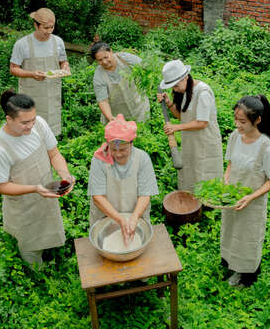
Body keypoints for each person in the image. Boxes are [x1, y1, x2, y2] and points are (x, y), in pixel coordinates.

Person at [0, 89, 75, 267]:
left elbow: (54, 154)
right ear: (9, 119)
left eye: (33, 120)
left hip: (46, 193)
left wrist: (65, 174)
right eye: (25, 122)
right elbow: (1, 186)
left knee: (49, 226)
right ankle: (36, 274)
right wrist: (35, 188)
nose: (31, 126)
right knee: (30, 242)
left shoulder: (39, 124)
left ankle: (52, 256)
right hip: (23, 204)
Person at [221, 95, 270, 288]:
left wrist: (250, 197)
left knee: (247, 237)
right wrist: (226, 179)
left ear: (257, 120)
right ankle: (231, 264)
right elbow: (230, 164)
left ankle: (247, 274)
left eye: (243, 121)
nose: (237, 124)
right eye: (236, 119)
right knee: (231, 231)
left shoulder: (267, 148)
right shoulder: (234, 136)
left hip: (252, 201)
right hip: (232, 197)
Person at [87, 114, 158, 244]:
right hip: (105, 218)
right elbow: (97, 197)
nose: (118, 154)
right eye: (113, 149)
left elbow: (145, 194)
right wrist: (120, 219)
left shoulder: (142, 159)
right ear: (108, 144)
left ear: (132, 143)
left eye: (123, 149)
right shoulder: (99, 160)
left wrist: (134, 217)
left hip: (135, 216)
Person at [157, 59, 223, 192]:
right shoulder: (184, 91)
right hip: (191, 140)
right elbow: (181, 116)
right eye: (172, 87)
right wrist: (169, 103)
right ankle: (192, 202)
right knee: (191, 171)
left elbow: (202, 122)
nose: (175, 89)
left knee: (205, 173)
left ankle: (208, 206)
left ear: (186, 77)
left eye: (176, 85)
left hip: (205, 140)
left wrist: (176, 128)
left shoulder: (203, 92)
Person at [10, 8, 70, 136]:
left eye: (52, 27)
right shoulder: (22, 44)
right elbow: (13, 68)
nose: (49, 31)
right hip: (31, 95)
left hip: (52, 94)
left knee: (51, 132)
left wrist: (65, 67)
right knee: (30, 129)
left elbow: (63, 61)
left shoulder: (58, 42)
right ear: (35, 25)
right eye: (45, 28)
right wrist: (32, 74)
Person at [91, 41, 150, 124]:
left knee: (142, 131)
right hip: (117, 114)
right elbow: (103, 101)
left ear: (111, 51)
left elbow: (145, 66)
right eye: (100, 60)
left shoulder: (125, 58)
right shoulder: (99, 75)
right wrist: (111, 118)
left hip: (137, 107)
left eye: (106, 57)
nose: (104, 62)